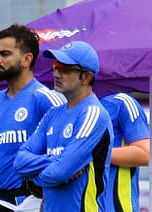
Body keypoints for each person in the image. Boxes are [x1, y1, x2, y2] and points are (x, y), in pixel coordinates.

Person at [0, 24, 65, 212]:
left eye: (4, 54)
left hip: (35, 202)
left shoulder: (46, 99)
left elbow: (65, 155)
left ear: (26, 59)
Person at [13, 41, 114, 212]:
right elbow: (20, 162)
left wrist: (34, 177)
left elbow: (59, 173)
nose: (56, 74)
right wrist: (55, 162)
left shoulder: (94, 114)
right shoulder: (53, 114)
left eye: (65, 69)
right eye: (55, 67)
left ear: (87, 77)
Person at [100, 92, 150, 211]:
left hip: (115, 206)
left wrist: (92, 154)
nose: (57, 75)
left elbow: (145, 154)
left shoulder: (121, 102)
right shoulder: (62, 109)